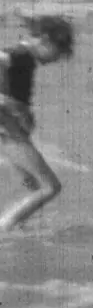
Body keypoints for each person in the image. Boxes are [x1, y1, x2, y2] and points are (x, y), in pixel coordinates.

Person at [0, 14, 74, 232]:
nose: (57, 59)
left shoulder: (26, 59)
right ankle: (5, 228)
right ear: (45, 40)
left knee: (32, 185)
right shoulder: (21, 54)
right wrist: (8, 103)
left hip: (10, 129)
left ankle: (18, 232)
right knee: (50, 187)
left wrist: (19, 109)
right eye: (58, 52)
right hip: (8, 130)